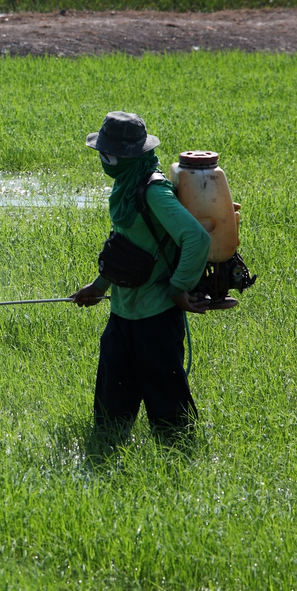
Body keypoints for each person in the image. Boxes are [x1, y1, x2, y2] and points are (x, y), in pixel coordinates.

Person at [71, 111, 212, 443]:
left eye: (108, 154)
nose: (104, 161)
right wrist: (100, 285)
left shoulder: (153, 191)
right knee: (110, 405)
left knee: (169, 412)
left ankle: (179, 458)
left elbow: (197, 238)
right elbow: (125, 246)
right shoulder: (127, 185)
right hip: (123, 310)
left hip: (157, 314)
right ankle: (107, 448)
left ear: (128, 155)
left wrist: (179, 289)